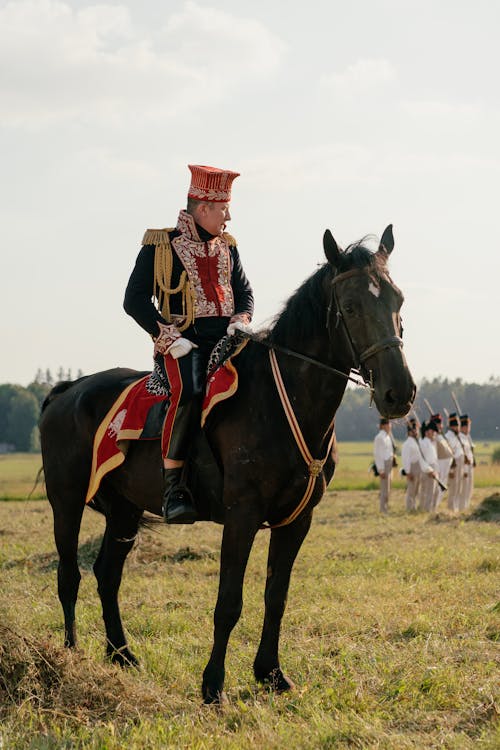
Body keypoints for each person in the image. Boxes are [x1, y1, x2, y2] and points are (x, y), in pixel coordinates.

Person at [124, 164, 254, 523]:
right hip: (184, 344)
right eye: (224, 209)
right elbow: (133, 301)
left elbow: (245, 293)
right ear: (203, 209)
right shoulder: (160, 246)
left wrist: (240, 320)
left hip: (228, 340)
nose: (229, 216)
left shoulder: (228, 247)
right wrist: (168, 336)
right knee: (191, 390)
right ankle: (173, 487)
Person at [430, 412, 453, 509]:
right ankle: (434, 506)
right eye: (439, 423)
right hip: (440, 464)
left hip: (446, 464)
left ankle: (437, 505)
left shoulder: (441, 436)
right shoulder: (434, 438)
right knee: (439, 486)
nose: (441, 425)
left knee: (442, 485)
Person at [373, 418, 394, 513]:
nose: (390, 426)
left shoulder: (387, 436)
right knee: (384, 488)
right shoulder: (379, 437)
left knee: (388, 488)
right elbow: (378, 454)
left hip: (389, 464)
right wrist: (380, 469)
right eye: (388, 424)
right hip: (384, 465)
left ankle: (386, 507)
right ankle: (383, 509)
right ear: (383, 426)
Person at [418, 420, 440, 511]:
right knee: (428, 492)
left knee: (432, 491)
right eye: (433, 431)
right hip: (428, 469)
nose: (434, 433)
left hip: (432, 468)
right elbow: (422, 459)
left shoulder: (430, 443)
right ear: (428, 431)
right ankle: (427, 510)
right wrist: (430, 470)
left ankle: (427, 509)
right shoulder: (423, 443)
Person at [445, 413, 464, 512]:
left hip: (459, 462)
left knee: (458, 487)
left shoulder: (457, 436)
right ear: (453, 426)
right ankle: (451, 507)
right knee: (453, 487)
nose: (458, 428)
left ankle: (455, 507)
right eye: (457, 426)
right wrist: (451, 469)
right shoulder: (448, 436)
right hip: (454, 464)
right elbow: (450, 454)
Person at [458, 414, 474, 510]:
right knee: (463, 490)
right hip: (464, 468)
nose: (469, 429)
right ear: (463, 427)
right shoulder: (460, 438)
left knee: (468, 489)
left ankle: (466, 507)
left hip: (470, 466)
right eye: (468, 426)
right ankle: (461, 508)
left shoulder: (466, 437)